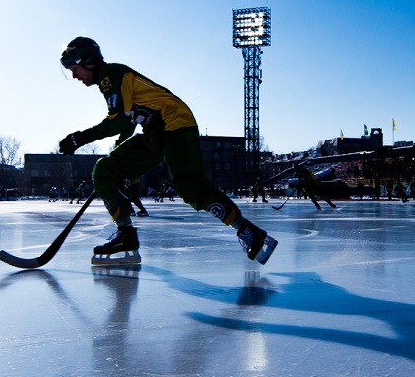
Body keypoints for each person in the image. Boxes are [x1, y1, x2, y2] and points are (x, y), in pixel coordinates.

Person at [57, 36, 277, 265]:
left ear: (88, 61)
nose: (74, 76)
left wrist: (79, 138)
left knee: (189, 186)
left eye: (74, 69)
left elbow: (119, 122)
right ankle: (126, 234)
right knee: (105, 170)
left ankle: (249, 231)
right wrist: (121, 154)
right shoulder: (109, 80)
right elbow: (129, 122)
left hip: (176, 126)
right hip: (155, 133)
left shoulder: (110, 76)